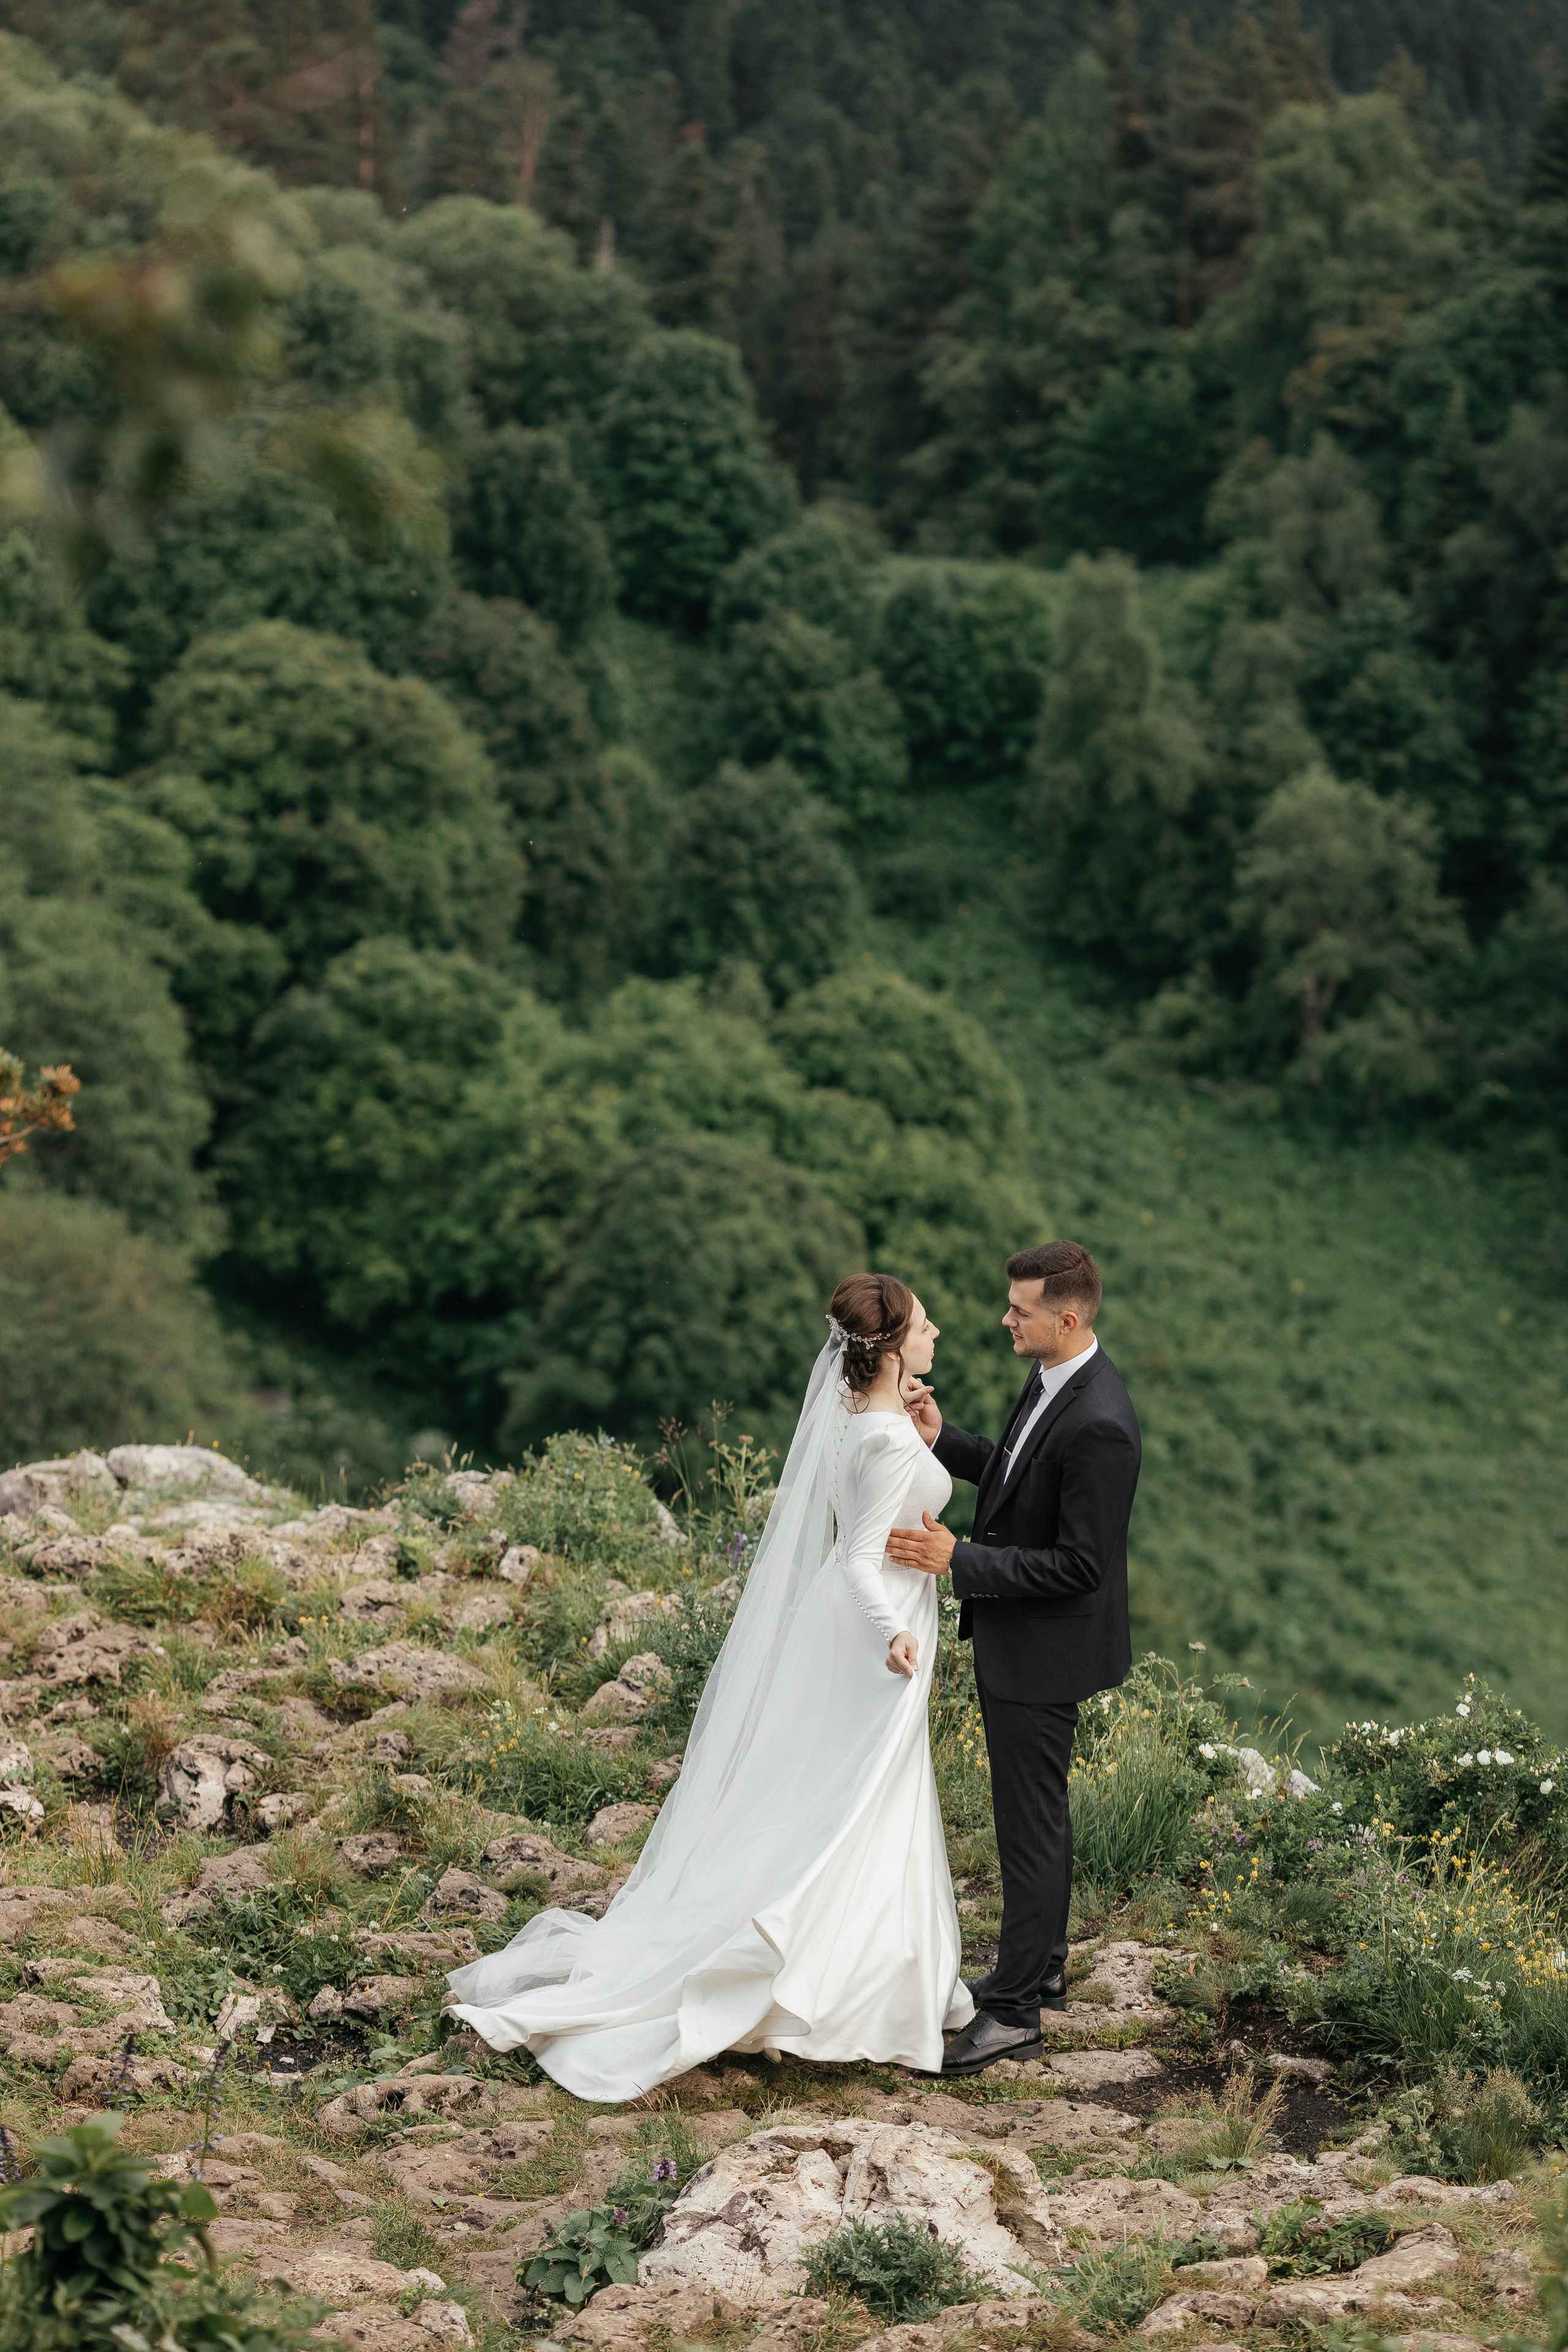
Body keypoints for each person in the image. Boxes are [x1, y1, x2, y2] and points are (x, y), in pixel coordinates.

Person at [445, 1272, 974, 2100]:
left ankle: (882, 1968)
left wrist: (921, 1434)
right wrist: (896, 1634)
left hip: (860, 1623)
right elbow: (864, 1561)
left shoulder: (862, 1421)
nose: (936, 1332)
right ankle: (837, 1979)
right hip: (879, 1637)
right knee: (858, 1799)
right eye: (925, 1324)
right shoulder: (880, 1439)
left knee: (852, 1794)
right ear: (891, 1347)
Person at [887, 1240, 1140, 2075]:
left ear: (1066, 1319)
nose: (1005, 1319)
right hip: (1023, 1640)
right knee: (1033, 1816)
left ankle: (1016, 2009)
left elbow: (1081, 1565)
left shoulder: (1102, 1421)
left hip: (1046, 1650)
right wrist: (943, 1438)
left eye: (1020, 1311)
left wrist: (958, 1562)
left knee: (1029, 1826)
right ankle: (1047, 1962)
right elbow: (1019, 1479)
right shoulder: (1051, 1375)